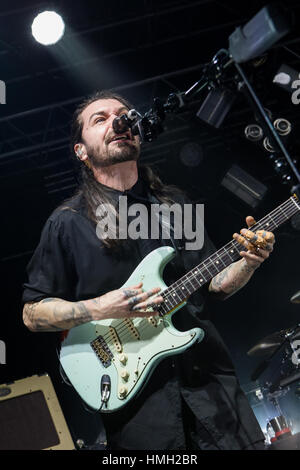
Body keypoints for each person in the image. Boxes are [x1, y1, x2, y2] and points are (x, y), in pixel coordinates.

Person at [22, 90, 275, 450]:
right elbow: (33, 313)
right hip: (141, 413)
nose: (118, 122)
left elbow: (215, 284)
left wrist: (248, 263)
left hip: (214, 390)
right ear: (81, 150)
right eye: (101, 119)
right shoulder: (68, 223)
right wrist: (103, 307)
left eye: (124, 115)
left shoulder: (176, 205)